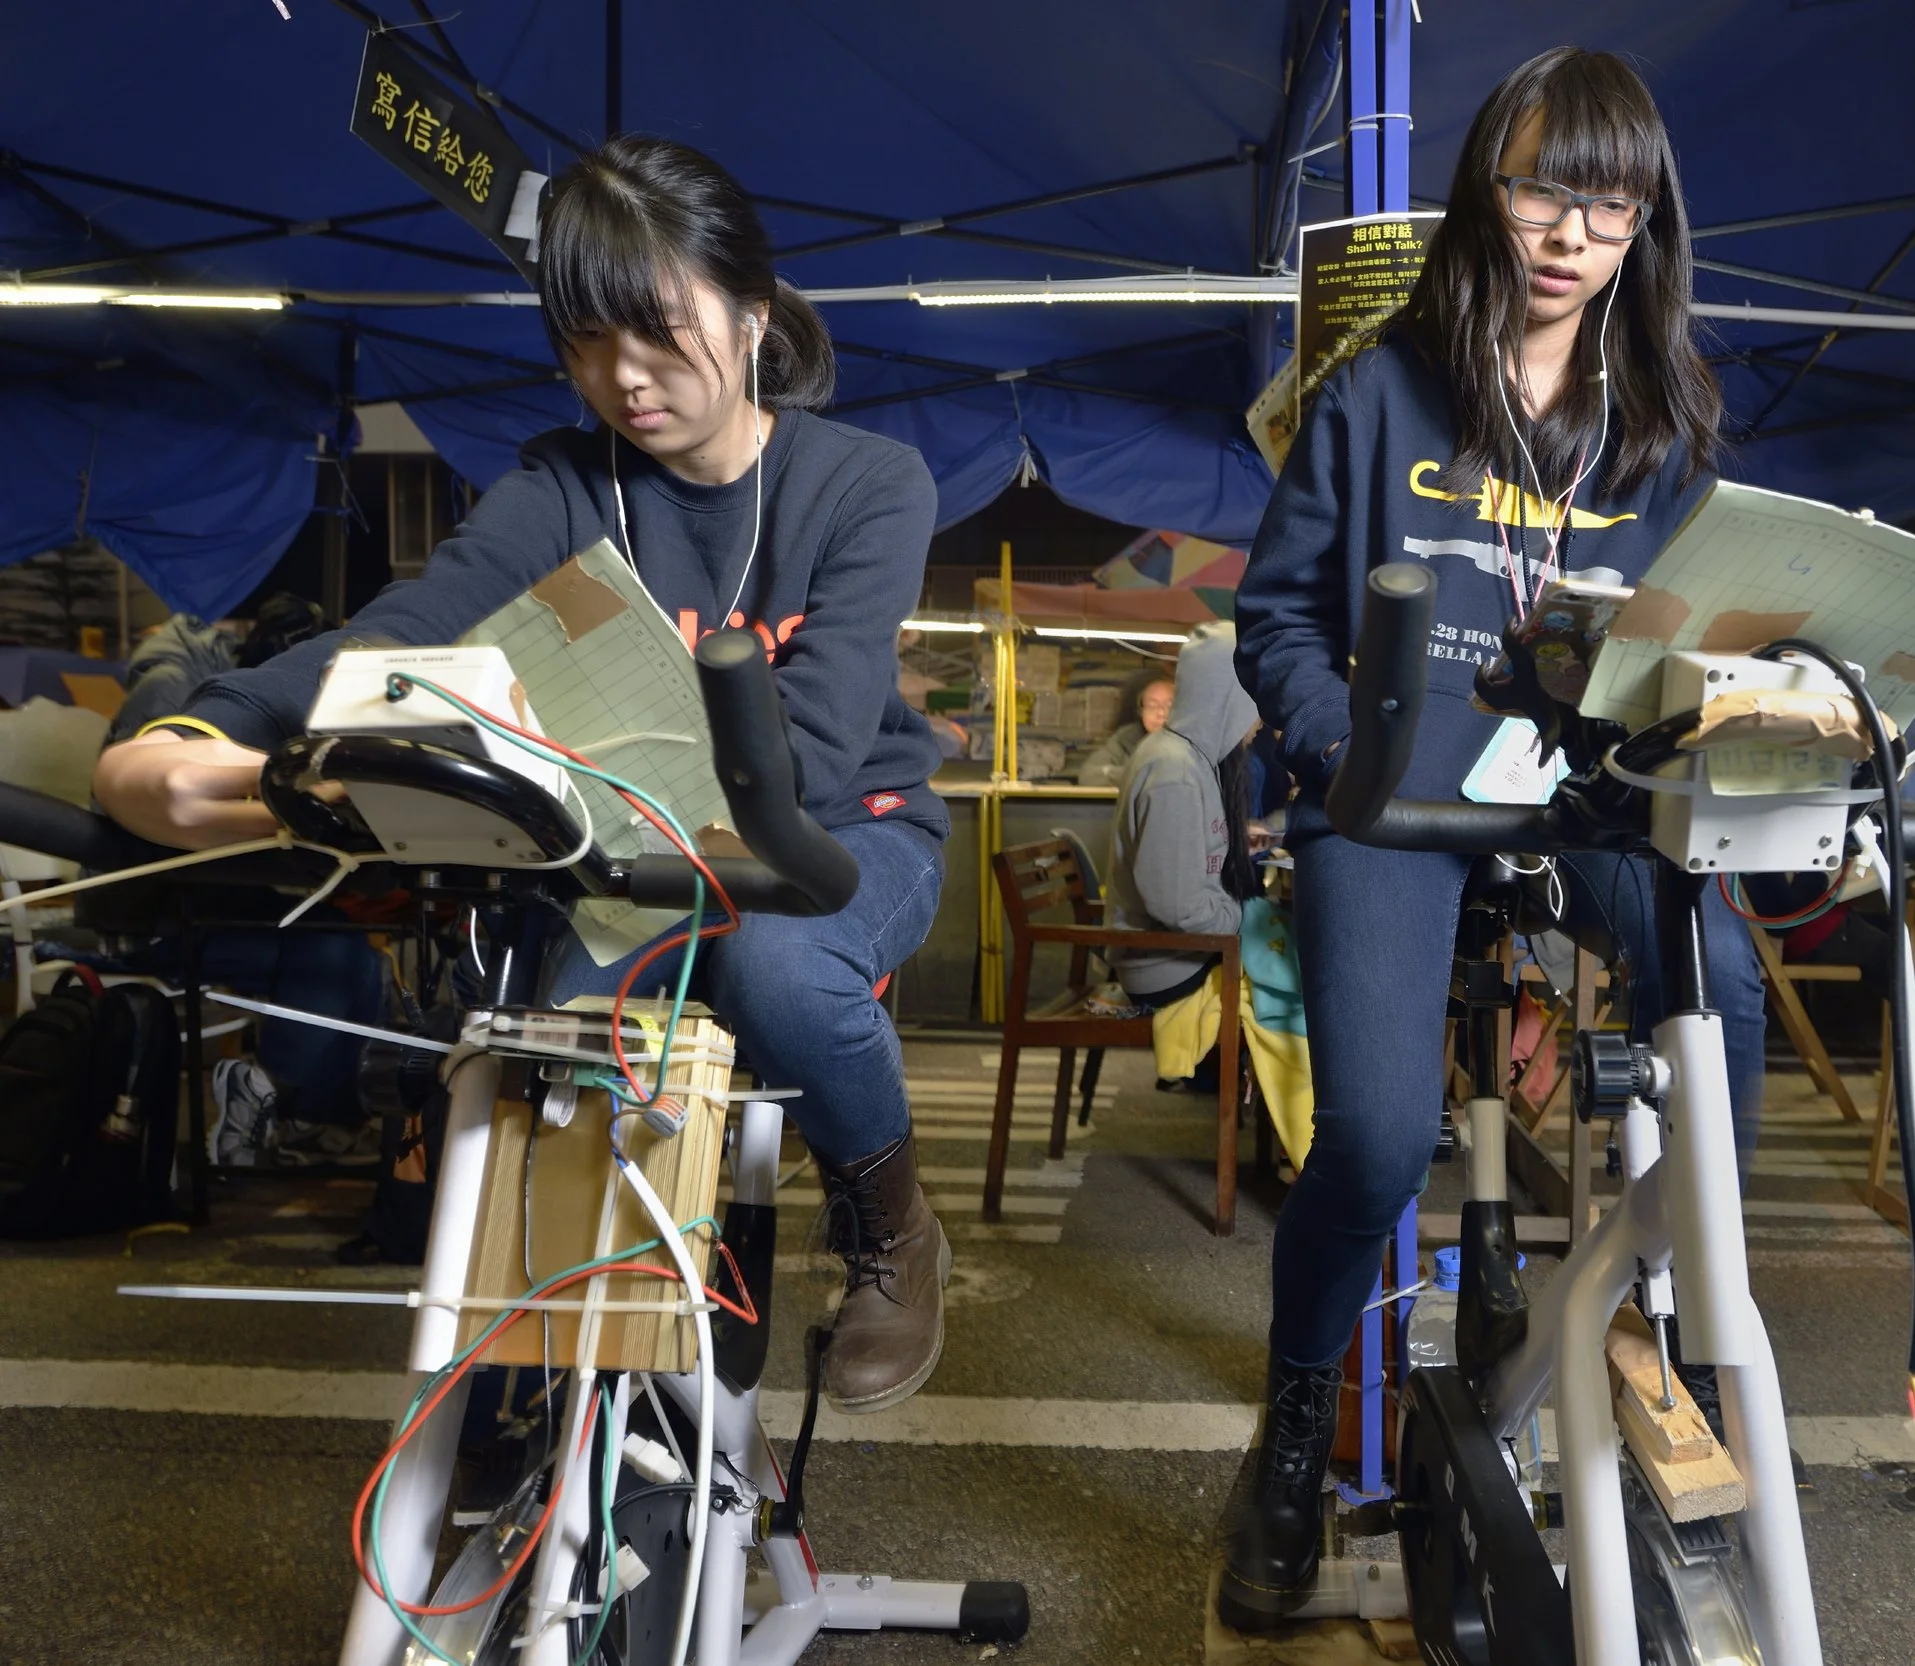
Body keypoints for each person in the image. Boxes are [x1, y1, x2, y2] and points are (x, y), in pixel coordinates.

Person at [90, 135, 953, 1414]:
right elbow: (407, 627)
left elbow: (816, 749)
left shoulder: (866, 484)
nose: (624, 378)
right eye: (589, 343)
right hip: (633, 848)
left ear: (752, 315)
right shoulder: (567, 481)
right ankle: (544, 1364)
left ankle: (890, 1219)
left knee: (776, 964)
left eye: (657, 334)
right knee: (544, 1032)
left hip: (841, 831)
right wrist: (205, 730)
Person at [1222, 47, 1766, 1625]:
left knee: (1716, 977)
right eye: (1540, 187)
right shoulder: (1380, 388)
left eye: (1606, 203)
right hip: (1388, 797)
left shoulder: (1662, 423)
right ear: (1489, 186)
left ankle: (1672, 1327)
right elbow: (1274, 621)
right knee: (1379, 1135)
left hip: (1579, 787)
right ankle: (1298, 1418)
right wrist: (1345, 753)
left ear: (1643, 221)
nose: (1567, 232)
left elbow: (1678, 650)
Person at [1104, 623, 1261, 1086]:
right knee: (1296, 997)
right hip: (1165, 968)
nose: (1260, 721)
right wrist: (1240, 918)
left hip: (1181, 952)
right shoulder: (1174, 771)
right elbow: (1175, 905)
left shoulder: (1189, 760)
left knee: (1289, 969)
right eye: (1254, 703)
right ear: (1227, 700)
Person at [1076, 666, 1177, 786]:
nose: (1160, 713)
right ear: (1141, 711)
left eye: (1169, 706)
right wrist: (1139, 775)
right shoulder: (1127, 738)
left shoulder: (1193, 741)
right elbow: (1089, 775)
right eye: (1152, 705)